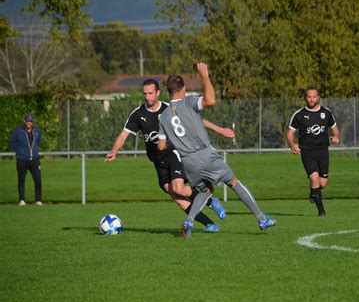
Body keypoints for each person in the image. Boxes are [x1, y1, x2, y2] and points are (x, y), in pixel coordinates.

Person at [158, 62, 277, 238]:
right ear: (183, 88)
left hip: (188, 162)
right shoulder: (188, 102)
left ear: (168, 93)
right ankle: (261, 219)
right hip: (205, 155)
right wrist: (205, 76)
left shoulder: (164, 116)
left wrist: (176, 141)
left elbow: (161, 146)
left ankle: (188, 222)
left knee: (206, 191)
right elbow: (210, 100)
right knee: (234, 182)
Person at [105, 79, 233, 232]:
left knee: (178, 188)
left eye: (151, 93)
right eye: (145, 94)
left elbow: (198, 120)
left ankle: (211, 201)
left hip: (173, 155)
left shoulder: (169, 109)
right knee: (177, 197)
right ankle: (210, 224)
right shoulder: (138, 114)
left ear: (158, 93)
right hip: (158, 162)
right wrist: (114, 151)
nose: (147, 97)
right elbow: (124, 134)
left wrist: (219, 130)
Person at [286, 87, 340, 216]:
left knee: (323, 183)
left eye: (314, 96)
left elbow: (335, 129)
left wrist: (336, 137)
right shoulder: (299, 114)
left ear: (318, 97)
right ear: (305, 97)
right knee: (314, 178)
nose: (311, 99)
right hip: (307, 152)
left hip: (322, 150)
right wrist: (292, 144)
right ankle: (321, 212)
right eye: (309, 96)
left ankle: (313, 193)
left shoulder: (326, 113)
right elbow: (289, 133)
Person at [9, 114, 43, 206]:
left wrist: (34, 151)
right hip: (21, 160)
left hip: (34, 160)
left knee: (38, 180)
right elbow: (12, 142)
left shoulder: (37, 131)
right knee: (21, 180)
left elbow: (38, 142)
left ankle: (38, 200)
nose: (29, 123)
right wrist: (19, 150)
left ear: (33, 122)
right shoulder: (18, 131)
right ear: (24, 121)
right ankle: (22, 200)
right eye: (28, 121)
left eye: (31, 121)